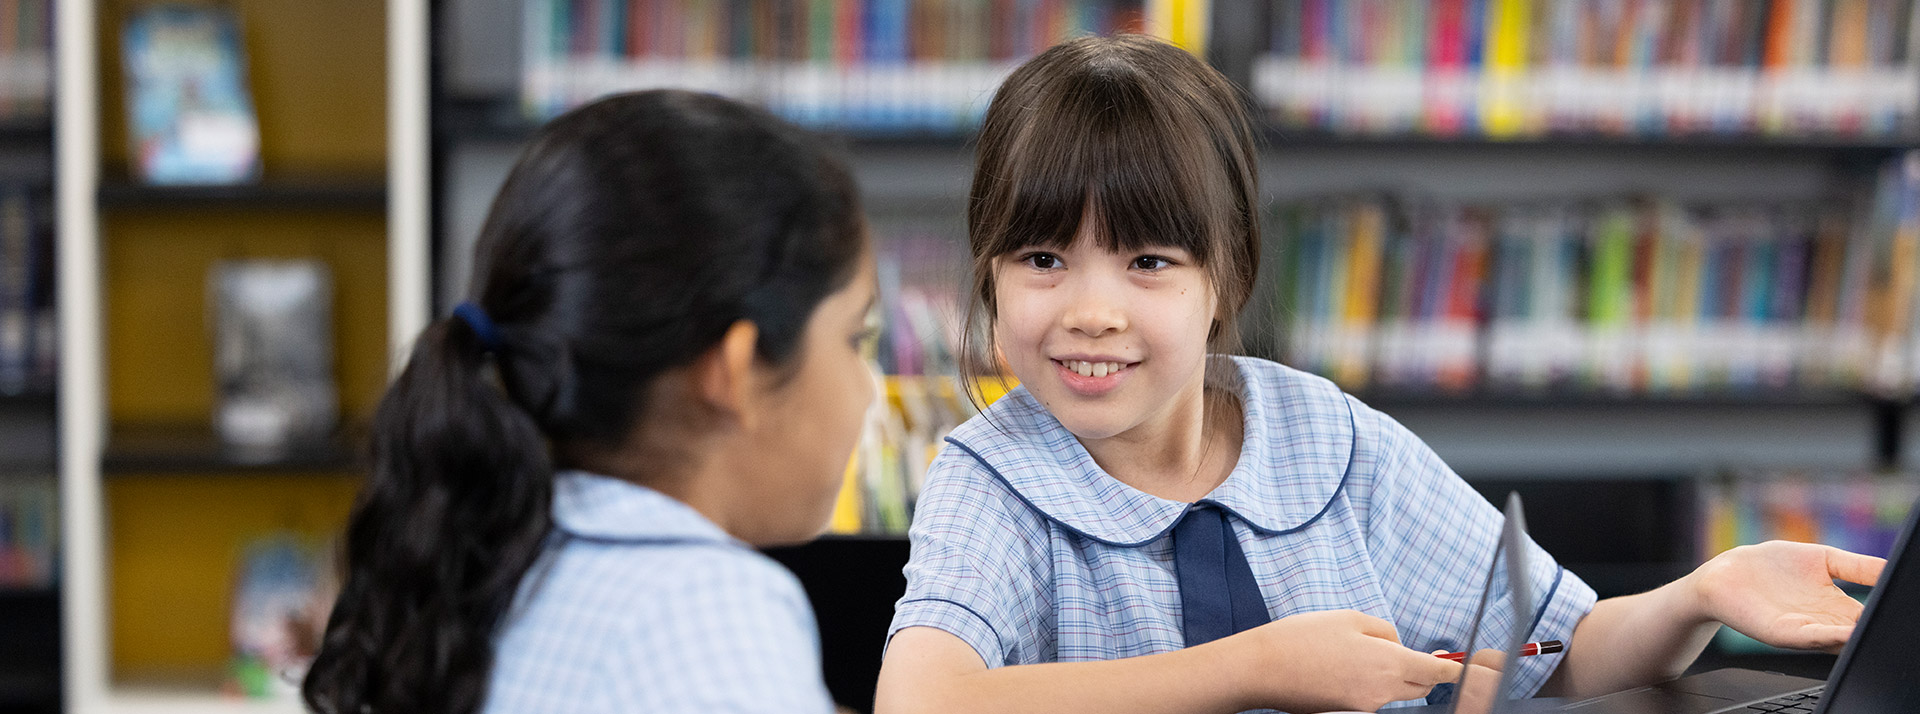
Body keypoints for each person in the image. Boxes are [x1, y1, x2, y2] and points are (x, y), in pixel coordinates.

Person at [874, 34, 1884, 714]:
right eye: (1043, 260)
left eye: (1148, 262)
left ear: (1225, 279)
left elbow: (1558, 650)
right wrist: (1261, 667)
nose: (1091, 309)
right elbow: (921, 697)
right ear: (988, 276)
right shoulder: (993, 475)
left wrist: (1702, 594)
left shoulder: (1327, 440)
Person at [301, 90, 877, 714]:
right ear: (733, 372)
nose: (867, 386)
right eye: (854, 339)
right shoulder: (707, 612)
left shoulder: (489, 568)